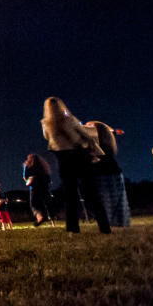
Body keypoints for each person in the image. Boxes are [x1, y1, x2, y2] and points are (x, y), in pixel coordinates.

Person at [41, 97, 110, 234]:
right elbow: (86, 135)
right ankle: (104, 226)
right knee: (91, 193)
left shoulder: (45, 124)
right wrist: (95, 151)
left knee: (70, 195)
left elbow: (47, 137)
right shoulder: (70, 119)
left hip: (63, 160)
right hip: (80, 156)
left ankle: (72, 228)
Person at [87, 121, 130, 228]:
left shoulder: (96, 146)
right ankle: (121, 222)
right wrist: (114, 130)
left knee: (106, 200)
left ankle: (111, 223)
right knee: (117, 199)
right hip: (113, 170)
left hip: (102, 171)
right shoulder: (109, 144)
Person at [22, 154, 52, 226]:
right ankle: (48, 216)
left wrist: (25, 167)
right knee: (43, 203)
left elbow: (25, 177)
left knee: (34, 204)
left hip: (34, 187)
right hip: (44, 187)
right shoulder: (43, 167)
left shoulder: (29, 167)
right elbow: (48, 178)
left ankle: (40, 217)